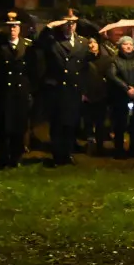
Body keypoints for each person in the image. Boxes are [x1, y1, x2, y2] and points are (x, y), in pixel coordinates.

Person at [36, 9, 90, 166]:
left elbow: (85, 67)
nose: (70, 26)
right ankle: (57, 155)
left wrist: (84, 89)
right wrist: (50, 26)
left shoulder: (83, 42)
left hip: (74, 89)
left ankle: (67, 154)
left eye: (73, 23)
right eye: (67, 23)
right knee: (58, 124)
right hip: (58, 88)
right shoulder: (53, 40)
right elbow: (39, 42)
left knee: (71, 124)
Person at [0, 14, 33, 167]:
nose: (12, 29)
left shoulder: (27, 45)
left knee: (19, 125)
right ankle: (2, 156)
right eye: (10, 26)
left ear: (20, 29)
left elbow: (33, 69)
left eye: (15, 26)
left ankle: (16, 156)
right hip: (3, 91)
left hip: (20, 91)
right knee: (2, 125)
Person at [108, 36, 134, 158]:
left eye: (130, 44)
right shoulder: (114, 60)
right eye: (125, 44)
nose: (128, 47)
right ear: (120, 46)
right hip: (120, 96)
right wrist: (126, 88)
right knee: (120, 123)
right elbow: (112, 75)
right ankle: (119, 149)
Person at [80, 37, 111, 155]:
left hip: (101, 94)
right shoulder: (83, 60)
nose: (92, 45)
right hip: (87, 95)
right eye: (90, 43)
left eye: (94, 42)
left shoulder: (106, 60)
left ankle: (100, 146)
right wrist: (83, 92)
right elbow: (80, 77)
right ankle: (90, 144)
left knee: (100, 122)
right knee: (87, 122)